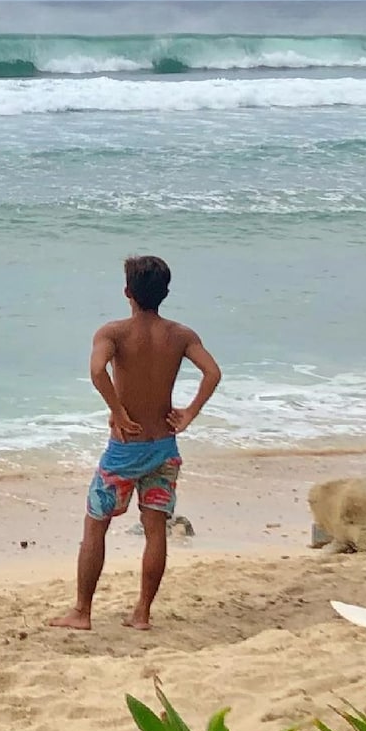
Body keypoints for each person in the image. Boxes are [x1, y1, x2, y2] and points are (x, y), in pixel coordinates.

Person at [50, 255, 221, 631]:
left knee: (96, 524)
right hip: (163, 446)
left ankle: (82, 611)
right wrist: (189, 413)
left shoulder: (113, 333)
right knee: (155, 527)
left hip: (125, 449)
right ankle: (142, 613)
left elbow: (97, 370)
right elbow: (213, 372)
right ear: (165, 293)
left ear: (127, 292)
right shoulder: (181, 335)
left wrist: (117, 410)